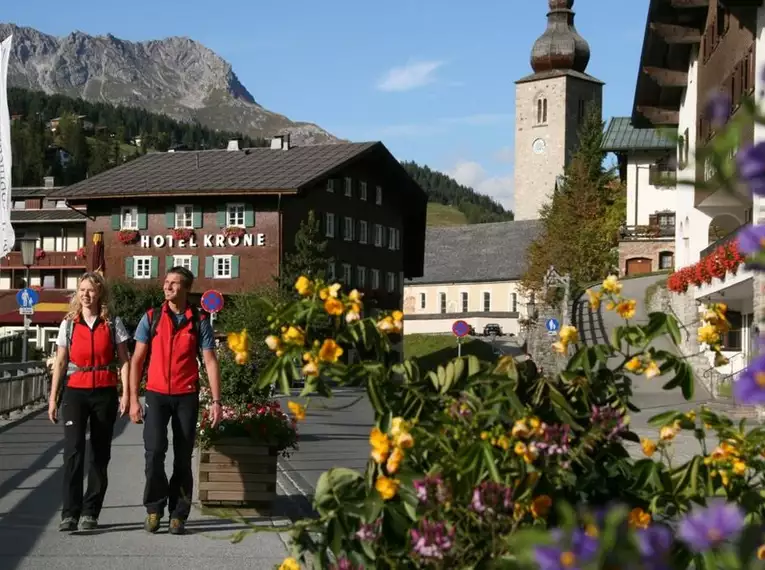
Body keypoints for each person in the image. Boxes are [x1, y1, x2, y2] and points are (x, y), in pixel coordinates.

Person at [129, 266, 222, 535]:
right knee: (155, 453)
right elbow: (137, 360)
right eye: (166, 282)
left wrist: (216, 401)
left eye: (174, 283)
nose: (167, 287)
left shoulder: (199, 321)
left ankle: (178, 514)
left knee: (183, 458)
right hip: (156, 395)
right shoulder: (152, 317)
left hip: (186, 396)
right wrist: (134, 398)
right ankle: (154, 509)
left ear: (186, 288)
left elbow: (210, 361)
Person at [48, 271, 131, 532]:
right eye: (82, 290)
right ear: (77, 294)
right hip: (75, 392)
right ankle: (69, 513)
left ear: (100, 294)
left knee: (99, 454)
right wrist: (53, 398)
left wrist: (126, 393)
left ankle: (90, 512)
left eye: (91, 290)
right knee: (73, 452)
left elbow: (124, 360)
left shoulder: (112, 322)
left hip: (104, 392)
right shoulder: (69, 324)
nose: (85, 294)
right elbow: (60, 362)